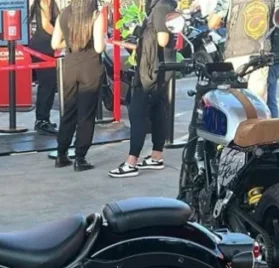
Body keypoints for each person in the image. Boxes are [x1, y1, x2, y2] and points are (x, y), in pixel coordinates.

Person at [109, 0, 174, 177]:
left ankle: (131, 162)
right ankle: (156, 156)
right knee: (158, 110)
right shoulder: (163, 6)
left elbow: (162, 39)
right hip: (159, 69)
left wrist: (146, 38)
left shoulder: (160, 8)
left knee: (137, 112)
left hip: (152, 71)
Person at [51, 0, 106, 171]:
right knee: (86, 115)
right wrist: (103, 39)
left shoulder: (63, 14)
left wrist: (71, 42)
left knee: (69, 111)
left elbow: (55, 44)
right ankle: (80, 157)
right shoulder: (95, 15)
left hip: (70, 67)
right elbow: (99, 47)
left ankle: (61, 154)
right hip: (90, 67)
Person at [193, 0, 276, 103]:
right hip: (260, 54)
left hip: (236, 54)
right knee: (257, 102)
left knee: (235, 101)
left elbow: (213, 23)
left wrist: (218, 20)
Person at [29, 0, 60, 134]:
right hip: (42, 47)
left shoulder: (49, 3)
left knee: (50, 85)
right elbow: (46, 25)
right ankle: (41, 121)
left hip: (46, 46)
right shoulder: (43, 3)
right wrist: (61, 37)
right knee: (46, 85)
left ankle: (44, 118)